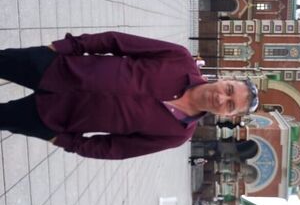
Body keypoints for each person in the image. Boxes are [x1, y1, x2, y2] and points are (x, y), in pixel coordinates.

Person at [0, 32, 259, 160]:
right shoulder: (180, 58)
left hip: (54, 118)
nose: (221, 99)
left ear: (228, 116)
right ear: (226, 79)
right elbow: (117, 42)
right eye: (229, 90)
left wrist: (66, 141)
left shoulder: (177, 135)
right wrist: (67, 47)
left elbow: (117, 149)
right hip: (58, 67)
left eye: (230, 106)